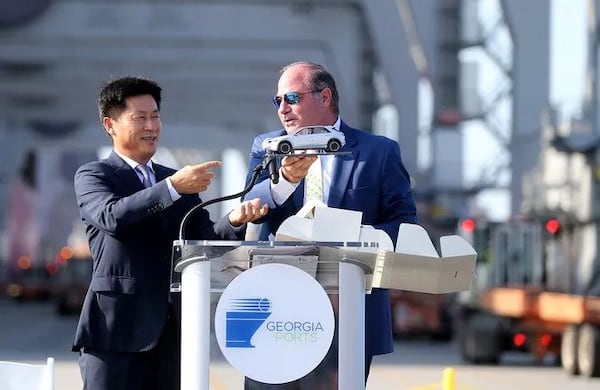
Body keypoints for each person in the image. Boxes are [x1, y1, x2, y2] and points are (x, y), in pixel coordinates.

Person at [72, 76, 268, 390]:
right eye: (140, 118)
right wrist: (173, 188)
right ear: (110, 125)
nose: (151, 126)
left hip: (173, 333)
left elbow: (203, 237)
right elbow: (112, 217)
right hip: (115, 334)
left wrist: (234, 219)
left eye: (155, 116)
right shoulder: (95, 175)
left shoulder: (175, 180)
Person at [242, 61, 417, 388]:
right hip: (277, 311)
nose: (282, 108)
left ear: (324, 97)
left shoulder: (378, 153)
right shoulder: (268, 148)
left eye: (291, 97)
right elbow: (250, 205)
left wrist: (361, 238)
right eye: (277, 100)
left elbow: (404, 224)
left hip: (349, 312)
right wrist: (283, 181)